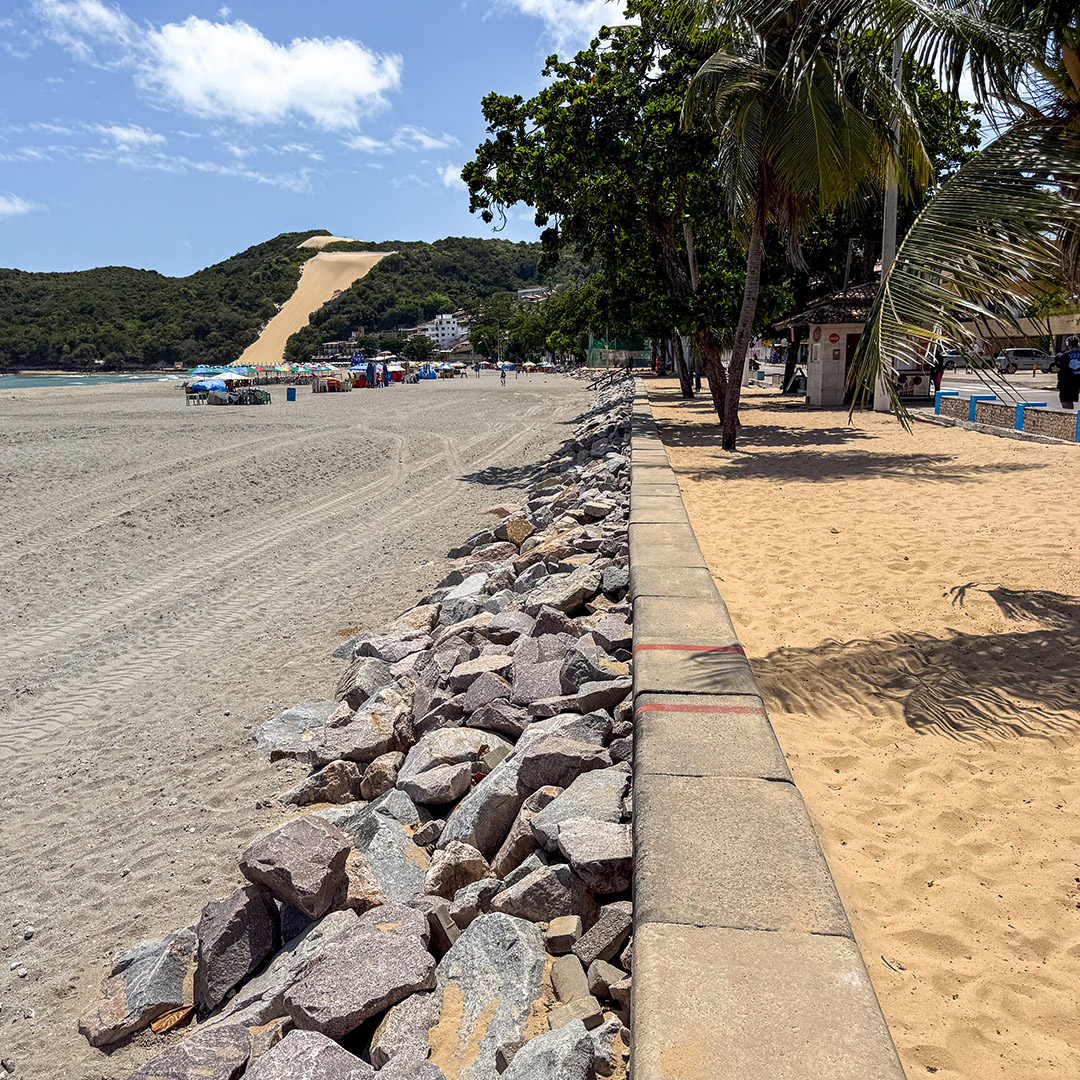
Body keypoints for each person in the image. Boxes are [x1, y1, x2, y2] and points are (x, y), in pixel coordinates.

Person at [1055, 335, 1080, 410]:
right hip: (1078, 379)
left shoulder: (1064, 355)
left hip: (1067, 381)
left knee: (1066, 401)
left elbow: (1059, 368)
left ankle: (1069, 414)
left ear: (1068, 345)